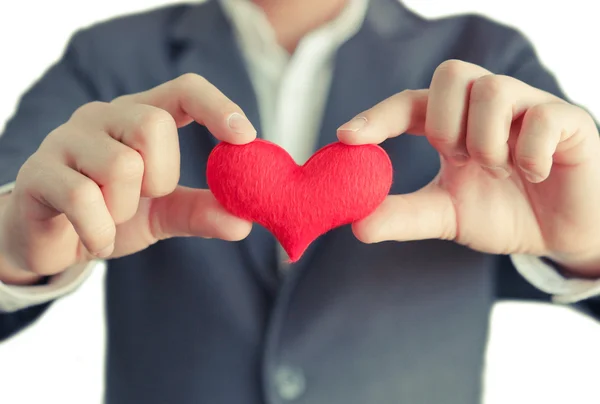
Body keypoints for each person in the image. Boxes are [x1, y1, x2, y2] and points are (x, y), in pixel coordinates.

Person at [0, 0, 599, 402]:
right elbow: (16, 194)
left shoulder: (486, 61)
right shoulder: (108, 58)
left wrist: (591, 238)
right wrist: (12, 247)